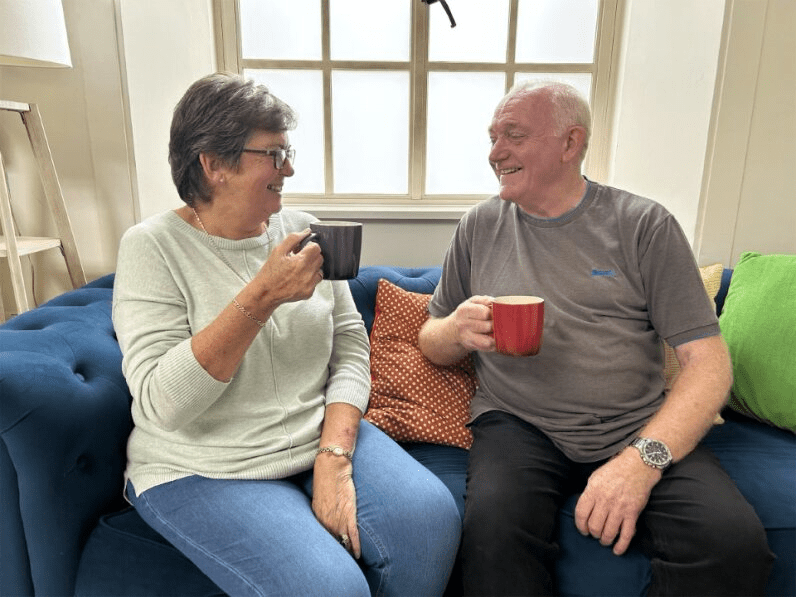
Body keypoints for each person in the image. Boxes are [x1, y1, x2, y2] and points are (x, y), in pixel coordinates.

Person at [418, 80, 773, 596]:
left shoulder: (643, 225)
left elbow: (709, 363)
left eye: (513, 135)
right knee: (493, 540)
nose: (495, 153)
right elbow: (431, 338)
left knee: (732, 547)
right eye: (493, 138)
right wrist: (455, 330)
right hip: (518, 423)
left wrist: (642, 461)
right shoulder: (479, 225)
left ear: (571, 143)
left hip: (635, 422)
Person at [112, 72, 460, 597]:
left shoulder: (303, 228)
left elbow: (350, 346)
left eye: (287, 152)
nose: (289, 169)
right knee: (331, 588)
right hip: (204, 466)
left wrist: (334, 455)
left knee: (431, 521)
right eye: (273, 155)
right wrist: (262, 297)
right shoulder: (151, 247)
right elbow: (164, 405)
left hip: (314, 436)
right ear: (214, 164)